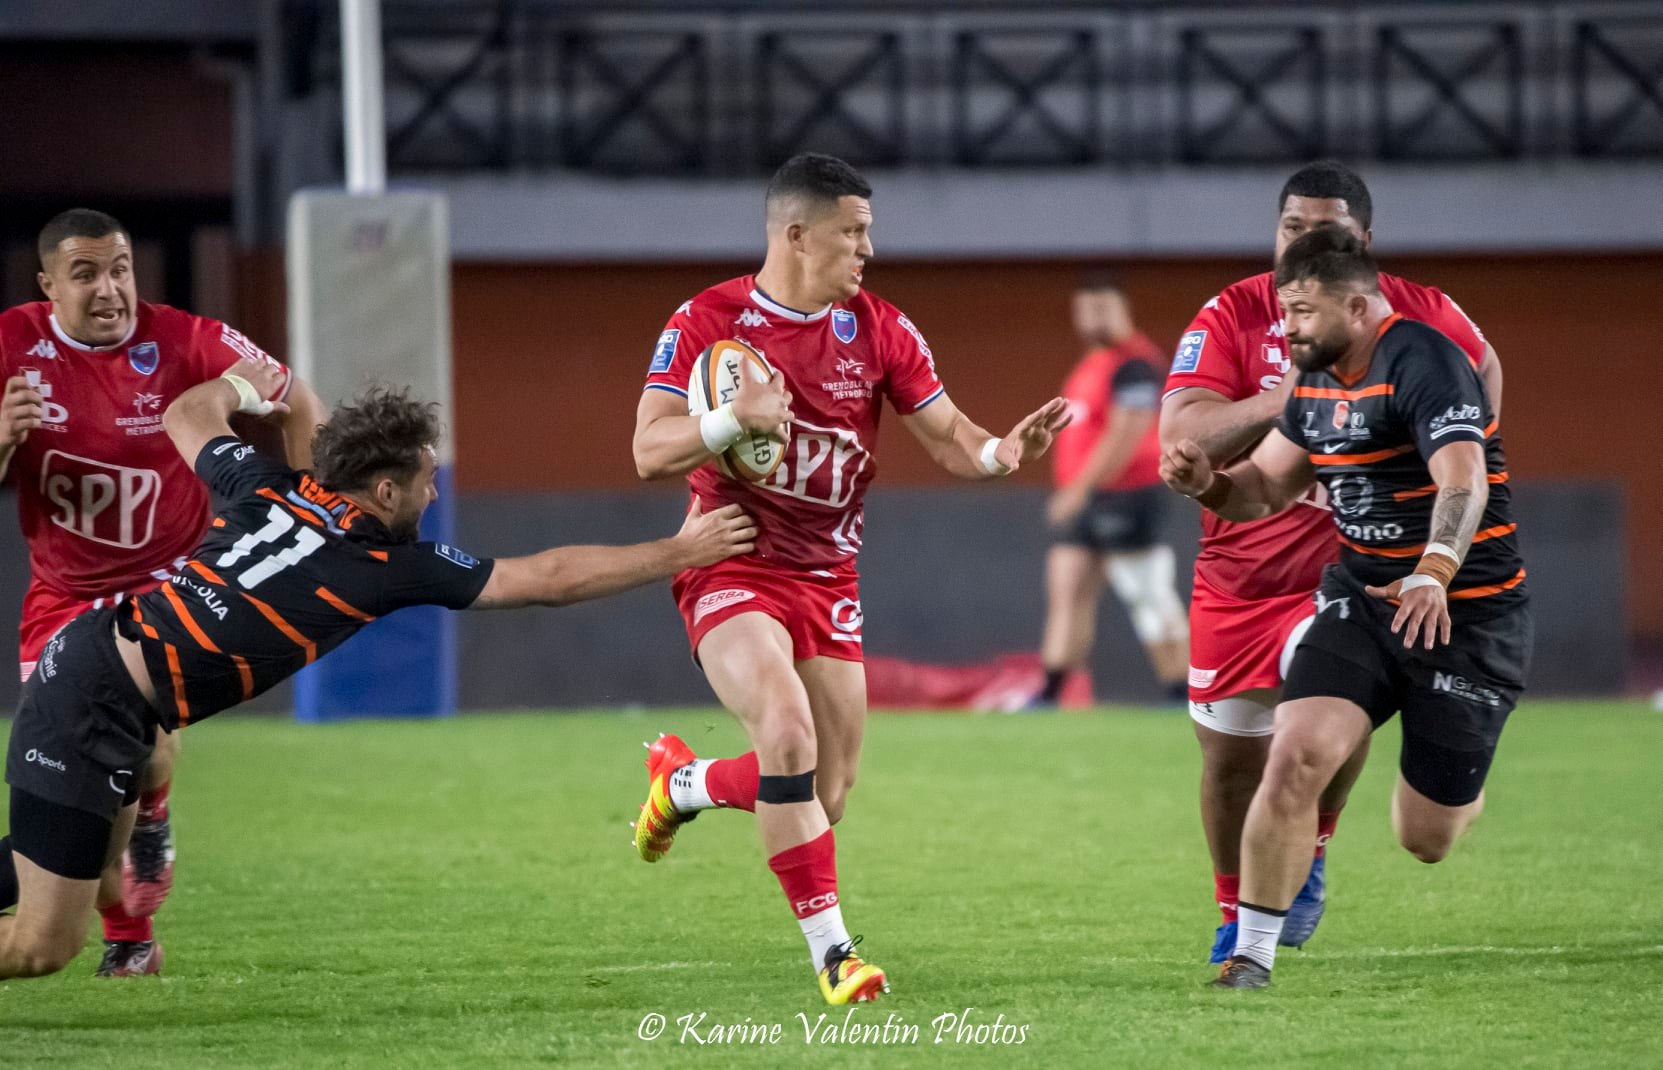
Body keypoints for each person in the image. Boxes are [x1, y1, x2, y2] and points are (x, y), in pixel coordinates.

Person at [0, 363, 757, 981]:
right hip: (94, 704)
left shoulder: (267, 484)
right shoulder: (379, 565)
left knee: (88, 868)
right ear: (387, 491)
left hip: (102, 680)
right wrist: (680, 552)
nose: (435, 493)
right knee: (43, 946)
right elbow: (548, 578)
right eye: (427, 480)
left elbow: (186, 413)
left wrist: (245, 385)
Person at [628, 152, 1070, 1005]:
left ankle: (683, 783)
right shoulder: (707, 321)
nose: (868, 249)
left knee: (823, 792)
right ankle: (836, 957)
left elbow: (947, 434)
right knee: (786, 733)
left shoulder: (879, 327)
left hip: (827, 576)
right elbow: (648, 450)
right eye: (853, 232)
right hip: (730, 559)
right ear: (797, 235)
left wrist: (999, 451)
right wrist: (728, 418)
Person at [1162, 226, 1530, 988]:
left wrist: (1434, 569)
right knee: (1293, 753)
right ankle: (1250, 957)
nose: (1287, 330)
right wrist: (1206, 484)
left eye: (1301, 312)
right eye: (1283, 313)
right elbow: (1265, 488)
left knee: (1424, 835)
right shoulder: (1314, 381)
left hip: (1465, 612)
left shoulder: (1424, 361)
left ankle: (1459, 782)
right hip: (1361, 601)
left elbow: (1463, 480)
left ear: (1357, 309)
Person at [0, 208, 327, 975]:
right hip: (60, 603)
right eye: (85, 274)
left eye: (119, 270)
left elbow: (299, 398)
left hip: (167, 589)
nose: (109, 289)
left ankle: (150, 814)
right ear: (48, 285)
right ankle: (130, 929)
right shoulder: (11, 345)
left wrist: (315, 510)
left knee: (141, 746)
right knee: (90, 814)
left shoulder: (183, 338)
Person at [1034, 272, 1188, 707]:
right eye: (1085, 310)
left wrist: (1078, 490)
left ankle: (1183, 692)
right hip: (1087, 498)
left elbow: (1127, 433)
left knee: (1148, 594)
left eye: (1102, 308)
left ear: (1123, 310)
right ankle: (1049, 694)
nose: (1093, 318)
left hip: (1129, 495)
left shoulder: (1135, 363)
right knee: (1068, 586)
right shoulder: (1093, 364)